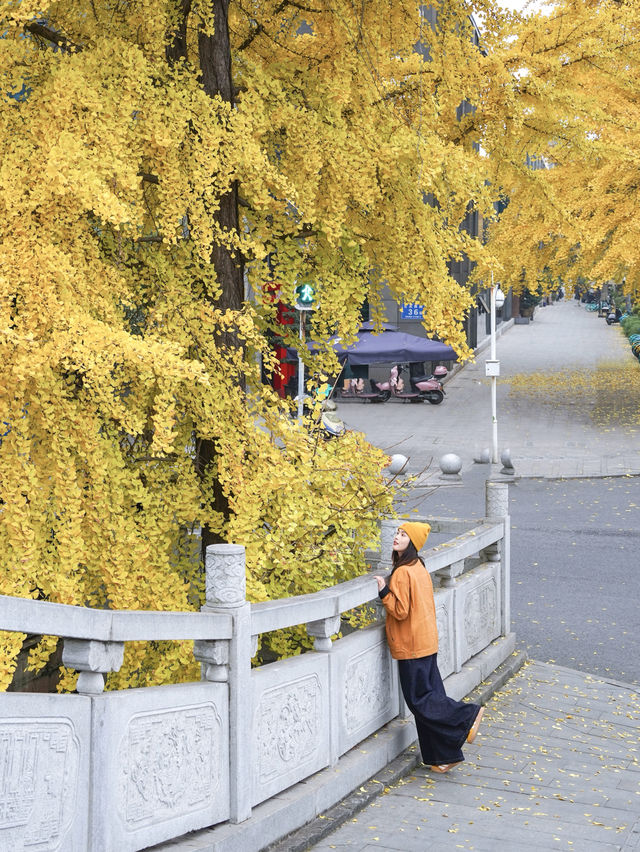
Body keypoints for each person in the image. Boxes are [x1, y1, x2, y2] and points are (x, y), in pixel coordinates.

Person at [374, 522, 484, 773]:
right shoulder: (419, 566)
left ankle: (468, 715)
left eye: (403, 535)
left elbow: (400, 611)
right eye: (397, 533)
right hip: (426, 642)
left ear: (412, 542)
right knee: (430, 698)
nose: (397, 537)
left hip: (411, 645)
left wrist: (383, 591)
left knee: (421, 701)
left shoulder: (402, 572)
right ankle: (443, 756)